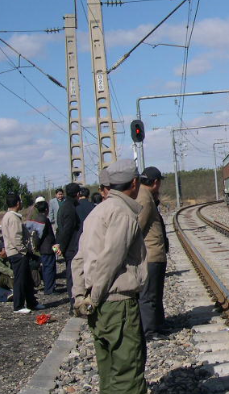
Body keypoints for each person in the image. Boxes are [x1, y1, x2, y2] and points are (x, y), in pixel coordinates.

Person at [72, 159, 147, 394]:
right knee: (127, 372)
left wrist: (80, 296)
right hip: (117, 304)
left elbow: (79, 259)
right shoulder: (122, 213)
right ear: (134, 183)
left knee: (108, 371)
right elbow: (110, 260)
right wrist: (94, 297)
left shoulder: (98, 212)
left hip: (99, 304)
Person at [136, 166, 169, 340]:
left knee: (155, 293)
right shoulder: (144, 198)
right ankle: (149, 331)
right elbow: (138, 226)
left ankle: (158, 325)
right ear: (155, 182)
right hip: (150, 254)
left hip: (154, 253)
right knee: (149, 294)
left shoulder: (146, 196)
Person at [1, 192, 45, 313]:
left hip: (16, 252)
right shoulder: (13, 218)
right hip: (17, 253)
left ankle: (32, 302)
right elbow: (16, 238)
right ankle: (18, 305)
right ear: (17, 203)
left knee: (27, 279)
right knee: (20, 279)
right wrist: (25, 251)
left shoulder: (9, 216)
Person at [56, 182, 82, 312]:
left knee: (71, 275)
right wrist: (62, 246)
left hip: (68, 247)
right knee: (72, 276)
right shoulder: (70, 209)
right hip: (71, 247)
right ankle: (73, 303)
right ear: (78, 194)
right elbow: (67, 230)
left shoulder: (65, 206)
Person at [28, 198, 59, 296]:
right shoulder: (43, 219)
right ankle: (49, 289)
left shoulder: (38, 218)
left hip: (47, 247)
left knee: (48, 267)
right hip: (47, 248)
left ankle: (49, 287)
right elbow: (38, 235)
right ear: (46, 209)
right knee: (49, 268)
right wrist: (35, 246)